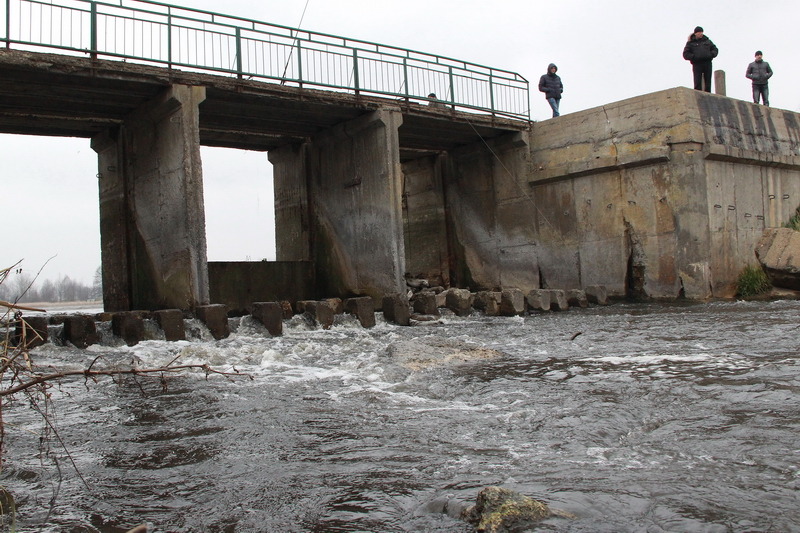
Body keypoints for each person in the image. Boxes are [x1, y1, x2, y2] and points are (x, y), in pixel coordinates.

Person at [683, 26, 718, 92]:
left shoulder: (708, 41)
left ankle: (708, 96)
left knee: (708, 82)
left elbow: (715, 49)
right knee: (697, 82)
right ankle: (697, 96)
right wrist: (695, 57)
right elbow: (685, 54)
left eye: (701, 32)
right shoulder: (690, 43)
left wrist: (711, 55)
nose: (701, 33)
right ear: (695, 33)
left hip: (707, 63)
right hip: (697, 64)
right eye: (699, 32)